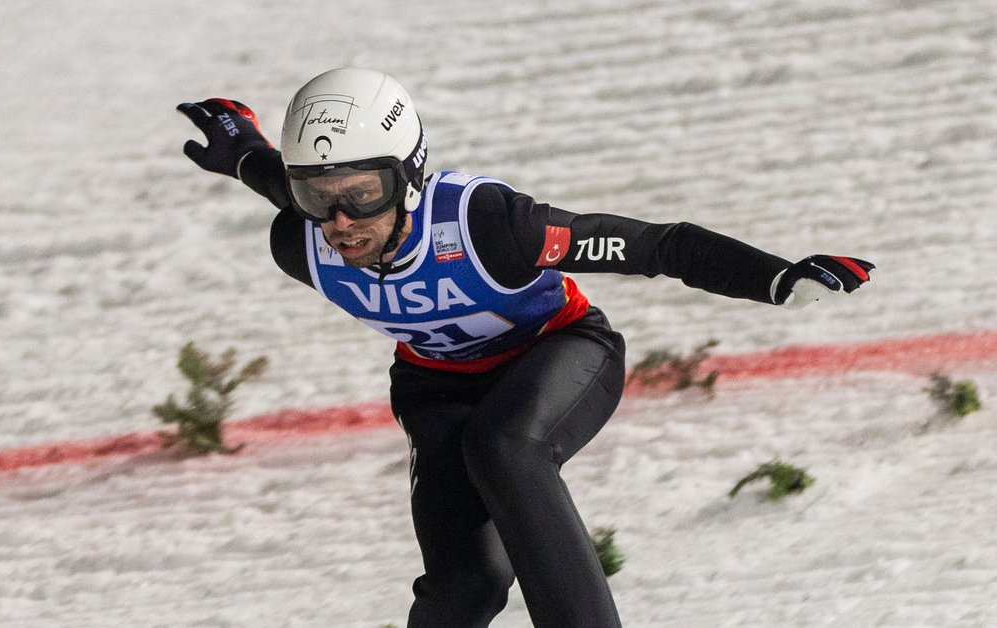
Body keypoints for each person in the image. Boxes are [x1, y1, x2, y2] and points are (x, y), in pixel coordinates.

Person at [177, 67, 873, 628]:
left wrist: (776, 278)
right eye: (315, 197)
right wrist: (239, 143)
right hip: (437, 391)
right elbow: (267, 170)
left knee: (504, 444)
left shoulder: (488, 226)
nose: (340, 222)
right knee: (465, 588)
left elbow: (656, 246)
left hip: (562, 352)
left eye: (364, 195)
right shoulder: (300, 241)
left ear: (411, 175)